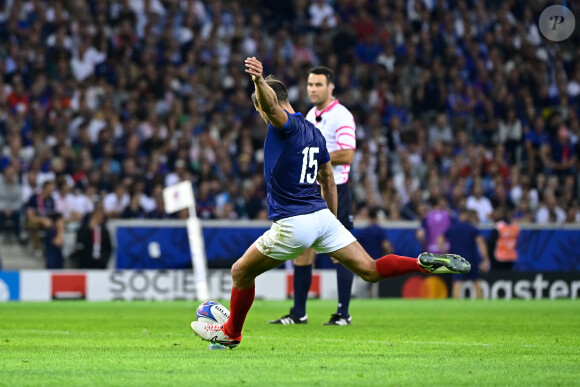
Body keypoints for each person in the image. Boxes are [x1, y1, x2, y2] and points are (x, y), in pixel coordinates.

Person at [190, 57, 470, 349]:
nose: (262, 114)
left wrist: (259, 81)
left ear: (266, 104)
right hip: (323, 217)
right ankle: (420, 263)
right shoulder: (315, 132)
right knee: (371, 270)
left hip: (294, 222)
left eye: (260, 108)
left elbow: (272, 107)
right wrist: (332, 224)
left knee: (240, 272)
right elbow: (328, 179)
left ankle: (231, 333)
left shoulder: (286, 126)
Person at [269, 65, 358, 326]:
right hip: (311, 189)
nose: (313, 89)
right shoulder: (309, 114)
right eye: (310, 85)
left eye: (318, 84)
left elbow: (348, 153)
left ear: (331, 87)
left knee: (339, 251)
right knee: (303, 249)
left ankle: (343, 313)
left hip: (336, 188)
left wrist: (320, 154)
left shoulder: (342, 116)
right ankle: (299, 313)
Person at [437, 209, 490, 299]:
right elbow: (480, 242)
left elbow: (440, 239)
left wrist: (445, 252)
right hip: (471, 258)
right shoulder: (472, 228)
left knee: (457, 282)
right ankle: (480, 304)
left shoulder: (453, 228)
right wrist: (485, 258)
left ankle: (456, 306)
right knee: (476, 281)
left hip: (457, 259)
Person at [70, 204, 112, 269]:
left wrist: (104, 260)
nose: (99, 217)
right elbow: (80, 242)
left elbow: (108, 248)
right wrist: (89, 229)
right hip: (86, 263)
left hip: (100, 264)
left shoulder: (104, 231)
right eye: (97, 215)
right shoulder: (83, 228)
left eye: (101, 215)